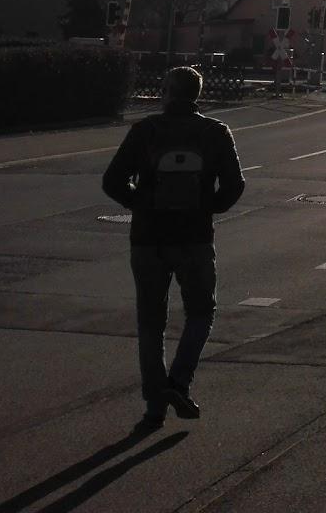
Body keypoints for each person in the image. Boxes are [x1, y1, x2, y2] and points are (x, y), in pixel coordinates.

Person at [102, 65, 245, 432]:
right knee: (201, 312)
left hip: (148, 239)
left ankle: (154, 407)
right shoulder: (215, 132)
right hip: (194, 238)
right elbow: (234, 185)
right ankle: (178, 383)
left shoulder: (145, 131)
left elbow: (112, 180)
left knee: (151, 321)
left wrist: (139, 204)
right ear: (196, 94)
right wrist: (208, 208)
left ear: (167, 91)